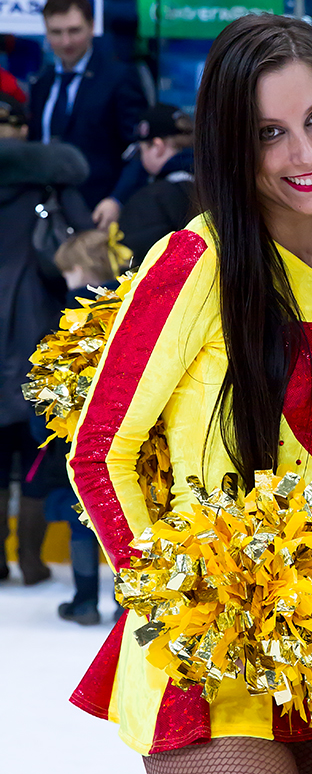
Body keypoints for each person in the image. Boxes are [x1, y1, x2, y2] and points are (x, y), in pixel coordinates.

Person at [66, 15, 312, 774]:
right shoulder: (196, 260)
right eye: (268, 133)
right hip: (208, 672)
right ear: (227, 145)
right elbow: (100, 452)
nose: (304, 154)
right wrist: (183, 605)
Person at [0, 95, 92, 584]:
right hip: (39, 329)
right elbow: (82, 249)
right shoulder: (53, 181)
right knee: (38, 452)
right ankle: (32, 562)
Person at [49, 228, 133, 624]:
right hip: (128, 432)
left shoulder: (72, 316)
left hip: (78, 434)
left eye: (67, 273)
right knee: (122, 515)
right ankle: (126, 602)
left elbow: (54, 378)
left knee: (81, 516)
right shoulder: (130, 304)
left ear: (81, 270)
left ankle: (84, 600)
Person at [28, 0, 148, 227]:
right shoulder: (42, 82)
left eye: (74, 31)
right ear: (46, 32)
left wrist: (116, 200)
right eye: (56, 32)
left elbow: (139, 148)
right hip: (44, 211)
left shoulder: (118, 78)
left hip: (97, 211)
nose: (66, 42)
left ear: (92, 27)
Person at [117, 104, 195, 265]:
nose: (141, 159)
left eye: (142, 150)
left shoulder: (152, 198)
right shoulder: (218, 181)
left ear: (158, 147)